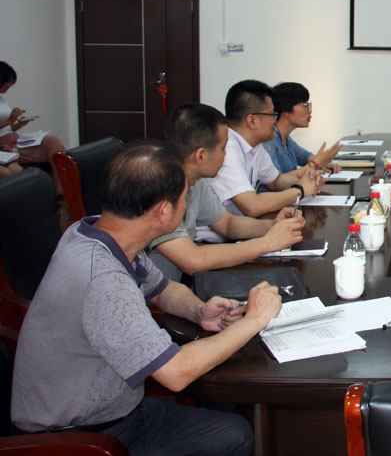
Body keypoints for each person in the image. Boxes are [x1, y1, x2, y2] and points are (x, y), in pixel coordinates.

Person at [10, 141, 282, 455]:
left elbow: (163, 289)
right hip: (78, 439)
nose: (186, 205)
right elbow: (176, 373)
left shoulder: (100, 233)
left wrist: (199, 310)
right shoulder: (102, 277)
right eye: (184, 197)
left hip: (118, 413)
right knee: (234, 433)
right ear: (163, 212)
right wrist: (254, 320)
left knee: (232, 427)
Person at [148, 103, 306, 281]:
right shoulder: (160, 190)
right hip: (152, 294)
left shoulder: (195, 181)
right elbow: (193, 260)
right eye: (223, 148)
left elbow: (227, 224)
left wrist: (272, 226)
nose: (226, 155)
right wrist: (267, 243)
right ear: (201, 156)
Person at [208, 80, 322, 219]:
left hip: (244, 225)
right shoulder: (226, 149)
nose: (275, 121)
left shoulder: (255, 145)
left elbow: (275, 181)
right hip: (222, 231)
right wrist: (300, 190)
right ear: (252, 121)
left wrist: (308, 180)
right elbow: (253, 206)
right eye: (272, 115)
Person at [0, 60, 66, 187]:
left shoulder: (2, 99)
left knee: (52, 141)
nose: (8, 86)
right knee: (13, 171)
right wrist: (10, 120)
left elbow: (10, 127)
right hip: (3, 146)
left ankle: (63, 191)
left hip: (13, 141)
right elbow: (8, 122)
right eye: (7, 83)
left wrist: (20, 123)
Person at [263, 82, 341, 176]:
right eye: (304, 105)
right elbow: (277, 180)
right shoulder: (267, 142)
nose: (310, 111)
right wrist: (317, 163)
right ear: (286, 110)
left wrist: (324, 162)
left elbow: (305, 157)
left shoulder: (285, 138)